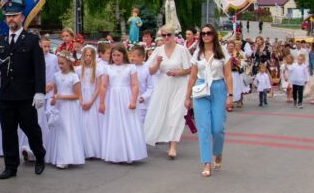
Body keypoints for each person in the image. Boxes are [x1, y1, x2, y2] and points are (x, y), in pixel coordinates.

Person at [0, 1, 47, 179]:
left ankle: (39, 153)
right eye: (8, 16)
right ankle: (11, 166)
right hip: (6, 94)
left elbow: (39, 67)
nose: (11, 19)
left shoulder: (32, 40)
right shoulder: (1, 40)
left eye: (14, 15)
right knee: (8, 131)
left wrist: (40, 91)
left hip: (26, 95)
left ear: (22, 17)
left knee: (30, 128)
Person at [184, 24, 233, 177]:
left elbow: (228, 75)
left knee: (217, 128)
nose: (206, 36)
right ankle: (206, 162)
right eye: (203, 33)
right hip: (201, 88)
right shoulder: (197, 53)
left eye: (209, 33)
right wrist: (187, 97)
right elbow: (192, 76)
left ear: (214, 35)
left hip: (218, 88)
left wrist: (230, 95)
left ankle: (217, 152)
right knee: (204, 127)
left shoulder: (222, 52)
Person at [144, 25, 191, 158]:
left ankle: (173, 146)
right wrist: (158, 64)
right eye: (163, 35)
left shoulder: (182, 50)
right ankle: (157, 137)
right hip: (163, 85)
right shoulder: (158, 50)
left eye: (168, 35)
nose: (166, 38)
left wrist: (178, 72)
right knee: (161, 113)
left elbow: (190, 69)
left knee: (175, 114)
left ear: (174, 36)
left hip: (179, 85)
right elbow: (149, 71)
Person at [99, 44, 147, 163]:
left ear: (123, 55)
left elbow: (135, 85)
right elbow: (104, 86)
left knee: (128, 123)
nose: (116, 57)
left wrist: (133, 100)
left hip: (126, 96)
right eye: (114, 55)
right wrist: (101, 103)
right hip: (112, 98)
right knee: (114, 125)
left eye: (118, 55)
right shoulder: (108, 68)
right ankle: (116, 154)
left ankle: (130, 153)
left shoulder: (131, 67)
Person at [45, 52, 84, 169]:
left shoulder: (74, 77)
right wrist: (54, 99)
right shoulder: (56, 76)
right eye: (59, 63)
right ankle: (57, 156)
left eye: (62, 63)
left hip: (70, 107)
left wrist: (61, 97)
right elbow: (56, 92)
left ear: (69, 62)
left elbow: (77, 95)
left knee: (67, 129)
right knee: (58, 129)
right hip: (59, 107)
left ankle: (66, 158)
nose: (60, 65)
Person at [77, 46, 103, 159]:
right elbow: (77, 87)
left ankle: (93, 149)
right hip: (82, 98)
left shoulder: (98, 70)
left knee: (92, 124)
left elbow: (99, 87)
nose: (88, 58)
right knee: (82, 124)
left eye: (90, 55)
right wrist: (81, 100)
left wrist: (91, 101)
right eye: (86, 55)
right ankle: (84, 149)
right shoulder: (78, 70)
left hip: (93, 99)